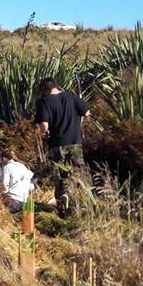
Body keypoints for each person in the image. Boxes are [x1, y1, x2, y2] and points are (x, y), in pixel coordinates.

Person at [34, 78, 92, 216]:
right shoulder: (71, 96)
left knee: (60, 175)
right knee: (75, 173)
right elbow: (86, 112)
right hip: (75, 141)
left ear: (45, 90)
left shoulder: (44, 102)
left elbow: (44, 127)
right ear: (56, 86)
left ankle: (63, 207)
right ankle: (74, 210)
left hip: (57, 144)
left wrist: (44, 132)